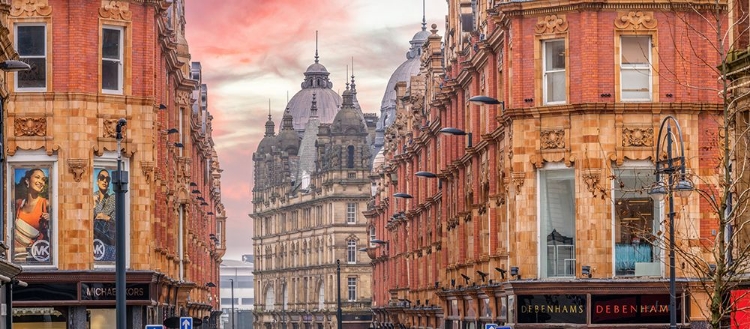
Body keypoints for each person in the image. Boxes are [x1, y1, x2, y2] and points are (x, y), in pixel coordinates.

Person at [13, 168, 50, 262]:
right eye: (37, 177)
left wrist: (52, 219)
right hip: (15, 256)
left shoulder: (46, 204)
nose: (41, 182)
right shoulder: (18, 203)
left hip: (34, 257)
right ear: (27, 181)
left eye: (43, 180)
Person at [93, 168, 116, 261]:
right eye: (102, 178)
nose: (105, 181)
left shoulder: (112, 198)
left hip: (108, 240)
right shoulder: (93, 195)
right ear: (97, 181)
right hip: (95, 239)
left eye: (108, 179)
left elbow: (100, 215)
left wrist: (94, 205)